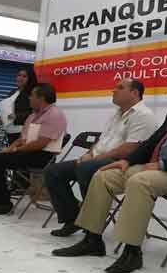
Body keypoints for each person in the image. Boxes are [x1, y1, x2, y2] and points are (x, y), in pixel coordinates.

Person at [52, 69, 167, 273]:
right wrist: (127, 161)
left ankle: (132, 252)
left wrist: (163, 165)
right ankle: (92, 240)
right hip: (152, 168)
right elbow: (150, 143)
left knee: (139, 181)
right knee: (102, 176)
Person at [44, 79, 158, 237]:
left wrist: (95, 159)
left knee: (86, 169)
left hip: (123, 163)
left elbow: (130, 148)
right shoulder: (116, 114)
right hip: (99, 159)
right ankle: (73, 219)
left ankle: (92, 227)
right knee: (53, 171)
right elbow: (101, 141)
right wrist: (88, 154)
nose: (113, 90)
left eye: (120, 88)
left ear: (134, 93)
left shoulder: (143, 115)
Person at [0, 83, 67, 215]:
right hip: (28, 151)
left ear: (41, 98)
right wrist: (9, 148)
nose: (29, 98)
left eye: (32, 95)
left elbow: (41, 143)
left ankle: (3, 203)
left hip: (42, 155)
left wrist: (18, 150)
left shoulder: (54, 115)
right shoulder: (33, 116)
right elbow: (22, 138)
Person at [3, 68, 38, 145]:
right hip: (11, 130)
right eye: (19, 75)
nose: (20, 78)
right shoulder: (12, 92)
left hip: (25, 131)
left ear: (30, 78)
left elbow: (35, 112)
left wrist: (16, 116)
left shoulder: (33, 93)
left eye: (24, 76)